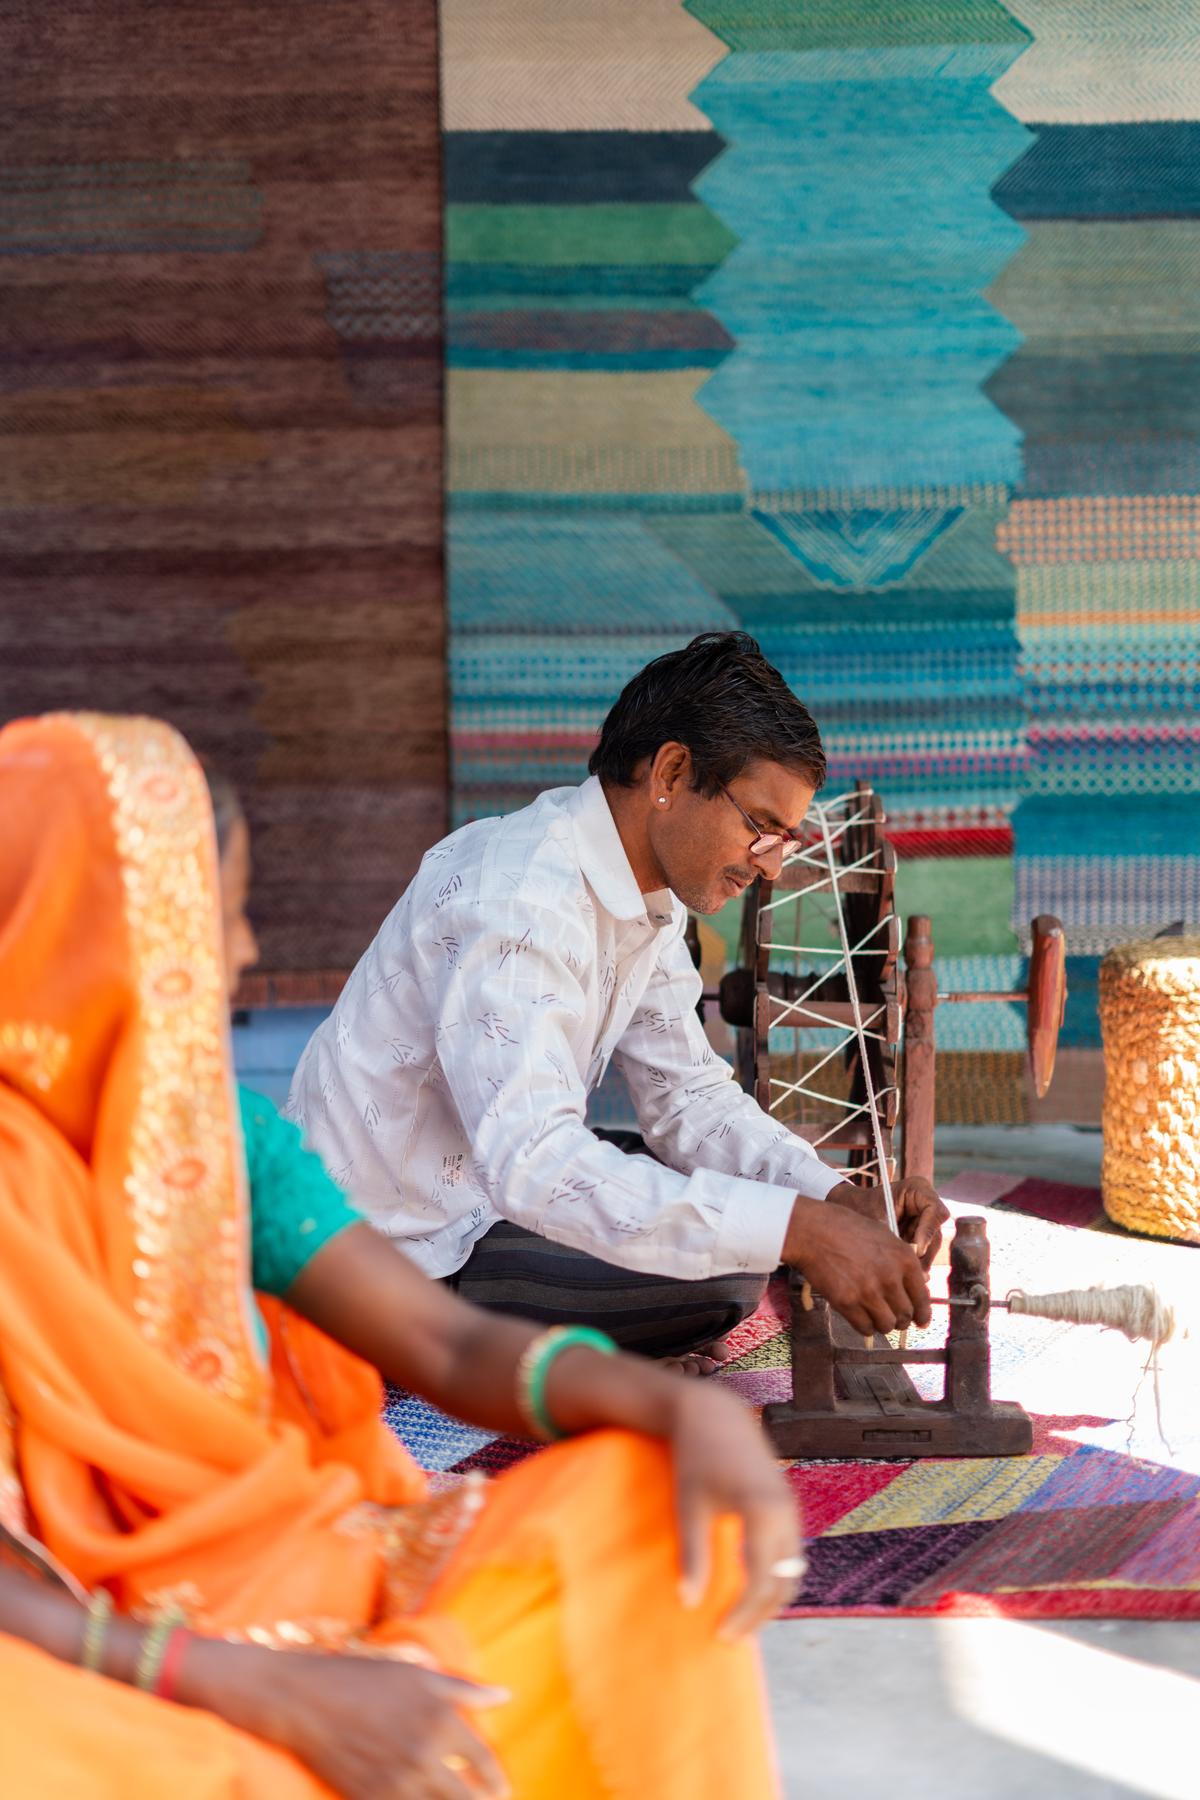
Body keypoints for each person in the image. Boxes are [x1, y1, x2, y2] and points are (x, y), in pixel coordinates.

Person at [0, 711, 794, 1799]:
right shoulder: (520, 888)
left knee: (638, 1511)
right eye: (209, 918)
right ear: (74, 932)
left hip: (283, 1572)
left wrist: (672, 1409)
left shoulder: (220, 1142)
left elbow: (442, 1341)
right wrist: (251, 1685)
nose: (241, 954)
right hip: (84, 1663)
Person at [288, 631, 947, 1369]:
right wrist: (796, 1231)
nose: (770, 866)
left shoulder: (648, 899)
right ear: (670, 772)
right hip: (389, 1249)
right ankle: (438, 1351)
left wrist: (831, 1198)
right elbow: (534, 1163)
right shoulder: (519, 898)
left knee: (730, 1218)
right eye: (762, 827)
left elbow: (688, 1101)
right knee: (730, 1270)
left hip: (486, 1190)